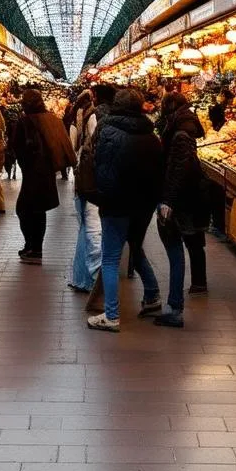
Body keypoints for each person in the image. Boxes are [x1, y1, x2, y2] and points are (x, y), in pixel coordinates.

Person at [89, 88, 163, 331]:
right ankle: (152, 296)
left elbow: (101, 169)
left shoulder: (108, 131)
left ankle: (111, 315)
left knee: (110, 258)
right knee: (135, 248)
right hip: (143, 205)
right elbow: (157, 173)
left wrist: (102, 199)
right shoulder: (151, 136)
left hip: (116, 203)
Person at [153, 92, 210, 327]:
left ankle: (175, 306)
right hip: (190, 197)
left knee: (177, 249)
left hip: (183, 199)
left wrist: (168, 200)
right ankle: (198, 283)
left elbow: (178, 169)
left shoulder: (179, 134)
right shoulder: (185, 127)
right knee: (194, 240)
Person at [12, 89, 76, 265]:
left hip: (33, 172)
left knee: (24, 210)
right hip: (47, 171)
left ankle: (33, 247)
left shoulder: (26, 121)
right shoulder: (51, 119)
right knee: (38, 211)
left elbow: (16, 146)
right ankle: (34, 247)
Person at [68, 87, 106, 293]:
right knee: (90, 228)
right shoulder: (94, 117)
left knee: (88, 228)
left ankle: (87, 277)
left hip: (86, 178)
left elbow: (76, 146)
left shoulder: (83, 118)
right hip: (91, 178)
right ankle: (90, 278)